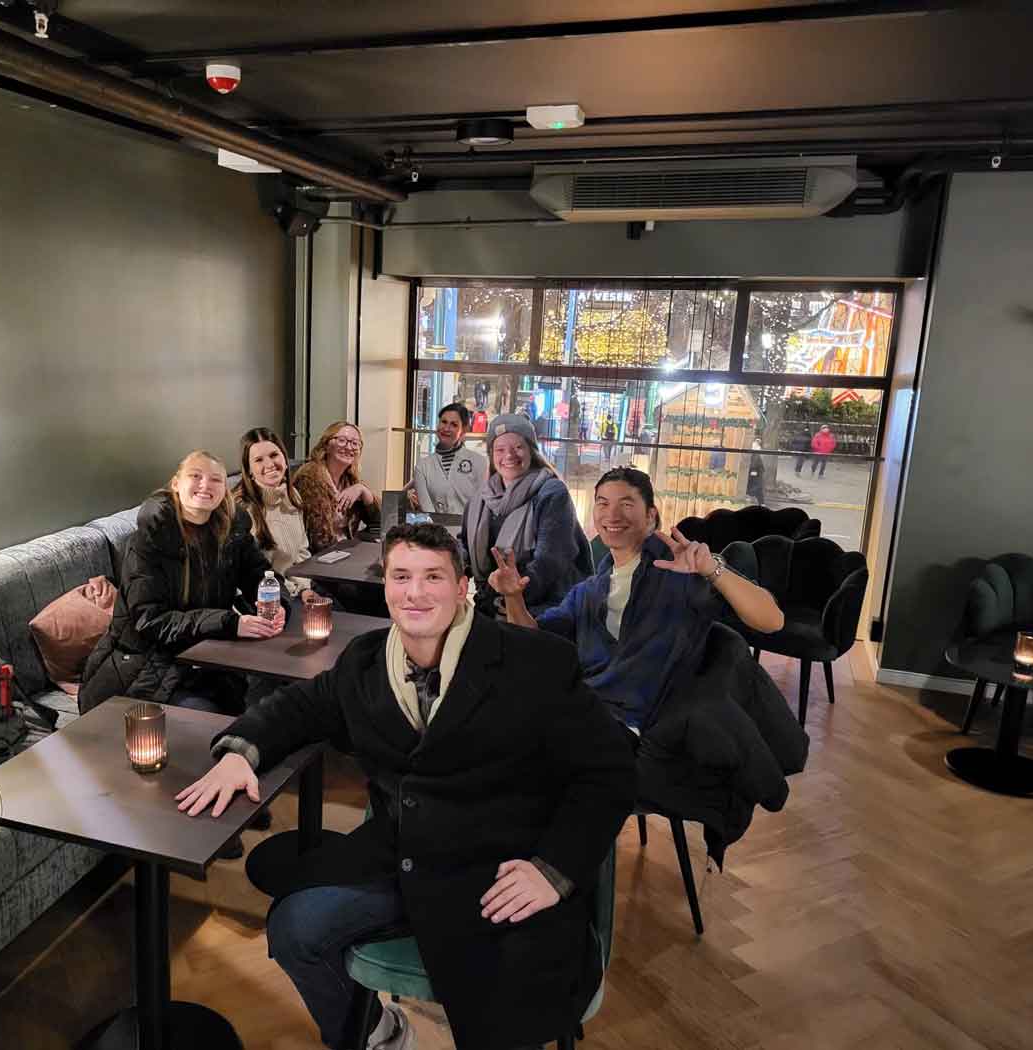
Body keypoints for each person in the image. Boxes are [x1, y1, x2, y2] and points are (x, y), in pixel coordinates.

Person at [176, 524, 637, 1050]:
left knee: (506, 1008)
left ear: (462, 586)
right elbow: (300, 707)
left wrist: (553, 870)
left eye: (433, 577)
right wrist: (242, 754)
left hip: (497, 872)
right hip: (400, 859)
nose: (415, 593)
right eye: (401, 577)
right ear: (386, 585)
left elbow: (610, 771)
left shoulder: (533, 662)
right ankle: (378, 1034)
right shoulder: (365, 661)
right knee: (294, 931)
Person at [489, 466, 784, 730]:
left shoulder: (682, 573)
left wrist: (711, 569)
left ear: (651, 516)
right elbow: (535, 640)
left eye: (626, 504)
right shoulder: (590, 591)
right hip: (586, 711)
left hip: (641, 726)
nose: (612, 516)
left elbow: (771, 621)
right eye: (603, 504)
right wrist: (514, 597)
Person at [79, 449, 288, 717]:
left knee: (278, 695)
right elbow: (149, 621)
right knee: (213, 721)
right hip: (148, 668)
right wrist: (230, 623)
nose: (205, 485)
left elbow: (261, 575)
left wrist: (277, 603)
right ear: (176, 483)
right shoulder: (149, 539)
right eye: (196, 476)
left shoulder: (233, 531)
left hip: (208, 659)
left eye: (215, 479)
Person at [460, 413, 591, 618]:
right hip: (491, 606)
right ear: (492, 456)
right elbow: (465, 549)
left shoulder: (552, 493)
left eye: (518, 447)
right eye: (500, 449)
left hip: (543, 611)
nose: (509, 455)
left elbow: (549, 561)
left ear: (532, 451)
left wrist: (510, 595)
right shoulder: (480, 499)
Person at [234, 427, 312, 597]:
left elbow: (301, 552)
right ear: (249, 471)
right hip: (264, 599)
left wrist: (305, 589)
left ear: (284, 458)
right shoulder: (240, 508)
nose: (269, 464)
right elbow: (242, 576)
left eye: (274, 455)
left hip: (294, 591)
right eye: (259, 460)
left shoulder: (293, 495)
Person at [293, 421, 381, 552]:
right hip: (319, 558)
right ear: (326, 445)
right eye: (342, 440)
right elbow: (317, 538)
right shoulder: (309, 477)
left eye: (355, 443)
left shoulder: (350, 480)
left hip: (342, 552)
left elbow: (380, 523)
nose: (349, 447)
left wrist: (363, 490)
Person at [407, 402, 486, 515]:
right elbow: (428, 511)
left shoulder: (479, 462)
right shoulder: (422, 467)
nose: (446, 428)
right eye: (443, 422)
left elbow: (484, 506)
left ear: (463, 430)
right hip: (435, 530)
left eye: (454, 424)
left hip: (471, 530)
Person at [746, 438, 766, 505]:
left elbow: (754, 464)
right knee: (757, 487)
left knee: (755, 486)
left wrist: (753, 472)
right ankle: (761, 503)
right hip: (757, 471)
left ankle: (757, 501)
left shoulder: (755, 453)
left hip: (756, 471)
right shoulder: (757, 451)